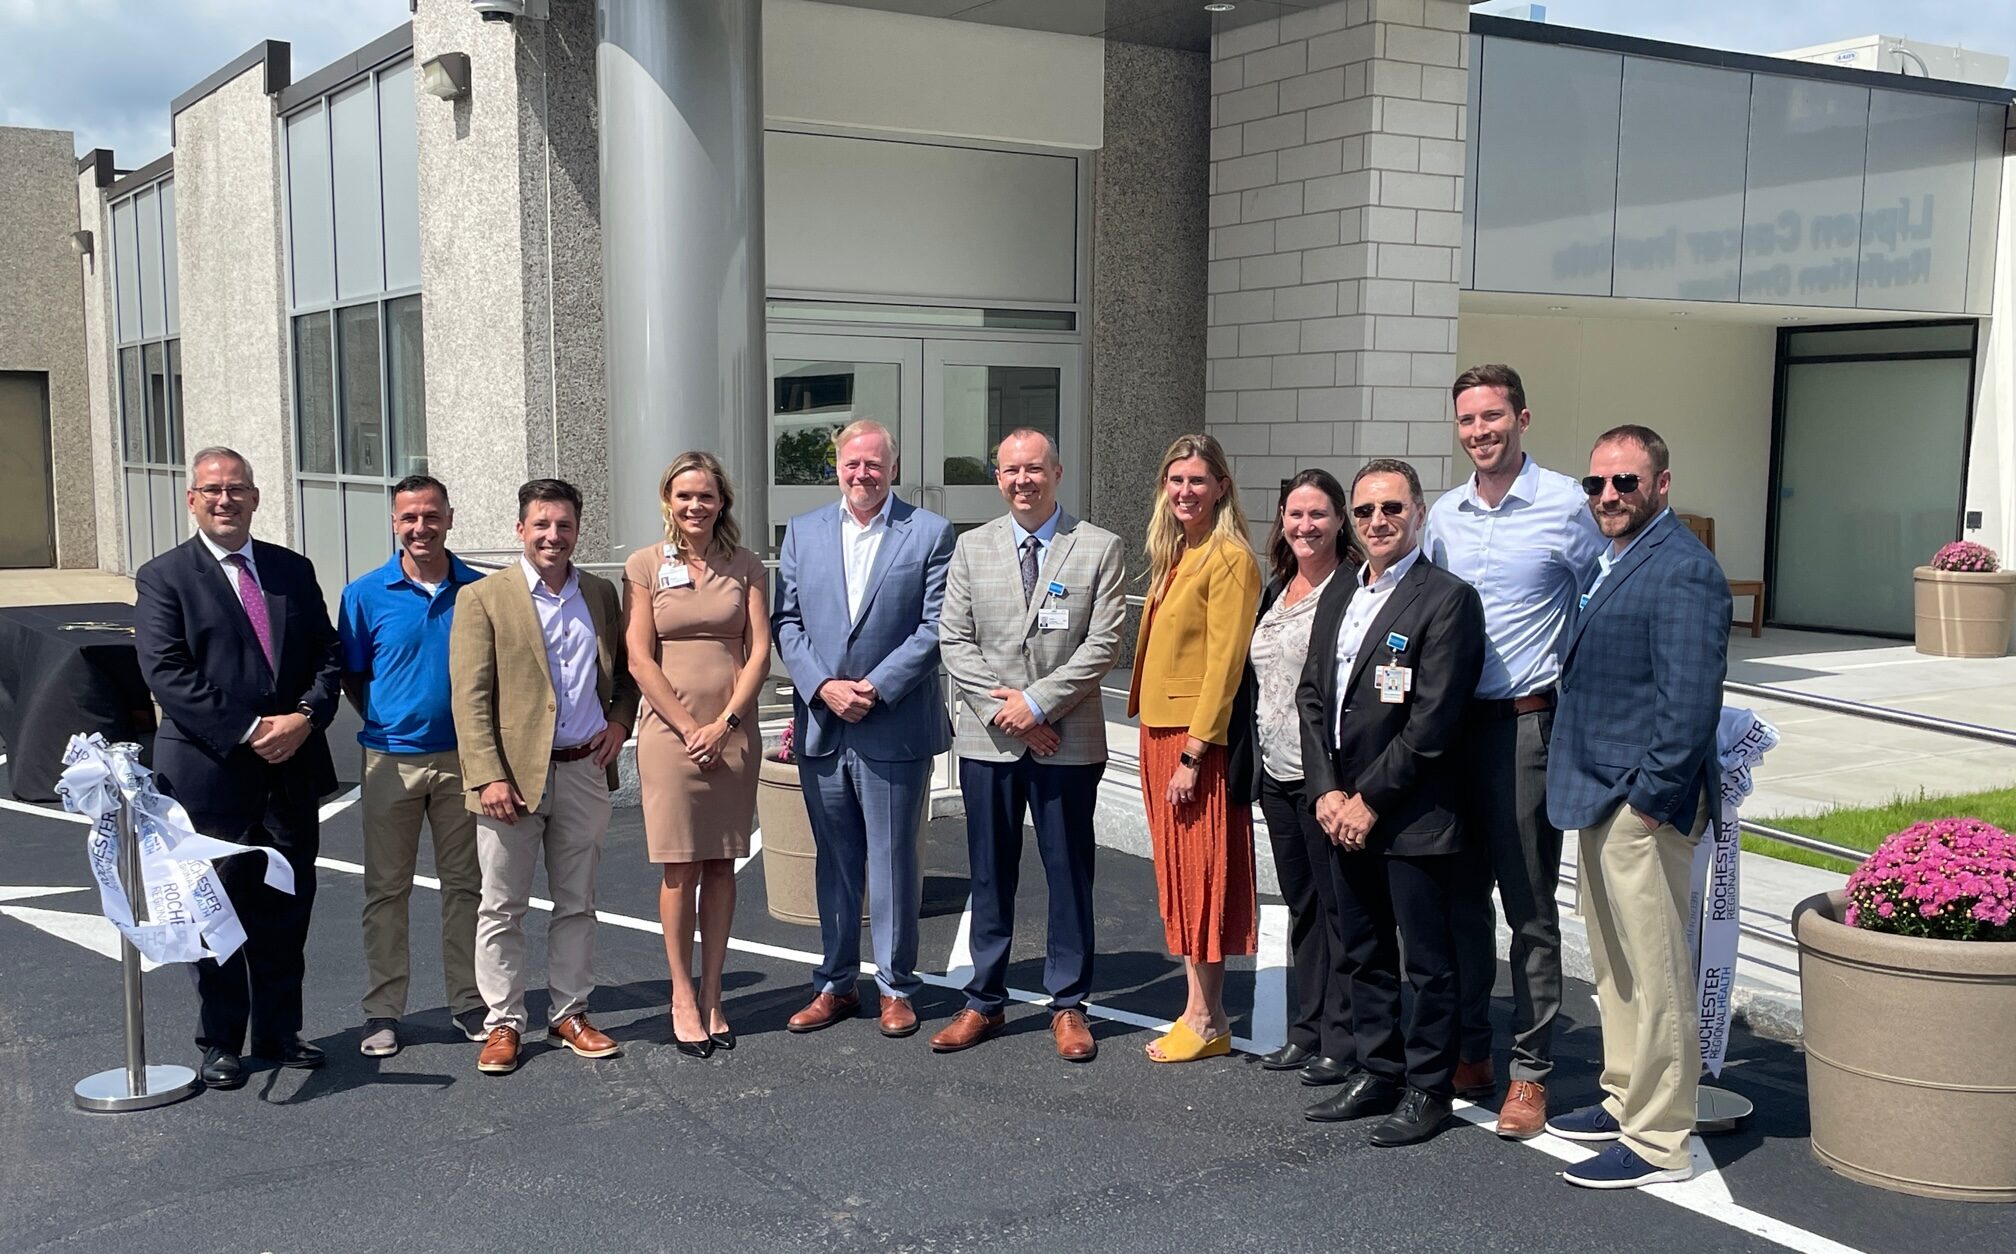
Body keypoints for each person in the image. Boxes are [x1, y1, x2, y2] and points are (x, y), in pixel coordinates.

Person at [1423, 364, 1605, 1137]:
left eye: (1492, 417)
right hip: (1449, 733)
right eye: (1467, 420)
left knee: (1528, 909)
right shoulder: (1444, 514)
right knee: (1458, 903)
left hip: (1528, 728)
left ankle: (1531, 1071)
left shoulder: (1569, 504)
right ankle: (1471, 1049)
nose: (1480, 432)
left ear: (1522, 419)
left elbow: (1604, 600)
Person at [1545, 425, 1729, 1189]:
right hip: (1600, 795)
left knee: (1654, 975)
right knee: (1616, 967)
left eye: (1626, 482)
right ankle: (1627, 1097)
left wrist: (1649, 804)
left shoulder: (1683, 569)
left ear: (1662, 484)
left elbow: (1689, 705)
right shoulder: (1613, 559)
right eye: (1596, 485)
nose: (1608, 496)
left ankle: (1658, 1142)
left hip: (1639, 806)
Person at [134, 446, 343, 1090]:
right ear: (193, 501)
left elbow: (328, 655)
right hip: (209, 776)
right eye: (213, 490)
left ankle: (279, 1033)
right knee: (215, 911)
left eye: (238, 489)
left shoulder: (291, 569)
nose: (226, 500)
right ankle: (221, 1041)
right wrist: (253, 731)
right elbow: (167, 672)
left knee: (287, 907)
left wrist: (305, 716)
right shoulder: (163, 576)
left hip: (291, 772)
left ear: (255, 497)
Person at [1296, 458, 1485, 1146]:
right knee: (1363, 947)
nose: (1379, 522)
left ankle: (1429, 1088)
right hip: (1341, 806)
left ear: (1418, 514)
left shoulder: (1446, 599)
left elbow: (1434, 720)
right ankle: (1377, 1068)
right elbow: (1313, 695)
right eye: (1368, 510)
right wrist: (1326, 790)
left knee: (1428, 962)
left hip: (1411, 813)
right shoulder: (1343, 588)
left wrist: (1368, 798)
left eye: (1393, 509)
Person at [932, 428, 1125, 1062]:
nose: (1023, 480)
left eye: (1034, 469)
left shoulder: (1098, 547)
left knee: (1069, 873)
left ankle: (1068, 1005)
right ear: (998, 477)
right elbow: (954, 641)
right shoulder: (971, 548)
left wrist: (1037, 704)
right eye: (1012, 470)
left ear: (1057, 473)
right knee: (990, 875)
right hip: (990, 742)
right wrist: (1010, 712)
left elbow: (1102, 646)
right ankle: (984, 1001)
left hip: (1067, 742)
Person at [772, 419, 956, 1038]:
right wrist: (822, 687)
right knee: (836, 861)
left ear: (893, 468)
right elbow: (787, 623)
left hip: (894, 724)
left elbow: (935, 628)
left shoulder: (929, 533)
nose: (862, 474)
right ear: (837, 467)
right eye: (852, 464)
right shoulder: (802, 531)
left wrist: (873, 688)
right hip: (824, 724)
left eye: (874, 464)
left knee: (895, 861)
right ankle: (835, 983)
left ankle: (897, 986)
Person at [450, 478, 638, 1076]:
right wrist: (487, 776)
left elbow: (627, 673)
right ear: (520, 529)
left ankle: (569, 1014)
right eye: (541, 525)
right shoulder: (484, 598)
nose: (553, 536)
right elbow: (470, 697)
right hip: (511, 781)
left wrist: (619, 721)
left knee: (577, 903)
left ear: (578, 530)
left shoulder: (602, 595)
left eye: (564, 525)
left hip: (585, 770)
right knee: (501, 906)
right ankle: (503, 1023)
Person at [622, 452, 769, 1059]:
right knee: (679, 866)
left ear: (721, 502)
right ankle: (681, 994)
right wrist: (689, 728)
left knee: (721, 865)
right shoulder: (646, 565)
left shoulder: (747, 565)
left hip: (733, 731)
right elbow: (637, 655)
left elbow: (760, 649)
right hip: (670, 735)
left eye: (705, 496)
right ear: (668, 501)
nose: (695, 506)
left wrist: (726, 722)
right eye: (684, 496)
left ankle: (714, 994)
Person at [338, 473, 488, 1058]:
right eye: (409, 518)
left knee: (467, 889)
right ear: (395, 522)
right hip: (389, 762)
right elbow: (353, 674)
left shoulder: (478, 590)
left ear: (449, 517)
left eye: (431, 516)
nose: (421, 527)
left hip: (464, 760)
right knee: (385, 891)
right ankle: (382, 1011)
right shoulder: (364, 594)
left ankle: (469, 999)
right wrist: (390, 719)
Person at [1126, 433, 1260, 1063]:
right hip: (1161, 733)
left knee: (1202, 877)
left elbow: (1226, 665)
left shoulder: (1228, 557)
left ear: (1221, 487)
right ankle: (1199, 1011)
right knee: (1180, 879)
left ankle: (1207, 1018)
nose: (1185, 491)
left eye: (1198, 481)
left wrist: (1194, 753)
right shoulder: (1180, 552)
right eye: (1176, 480)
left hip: (1191, 741)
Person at [1249, 469, 1360, 1088]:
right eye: (1295, 514)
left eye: (1318, 514)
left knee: (1341, 910)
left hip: (1327, 778)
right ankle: (1306, 1029)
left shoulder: (1349, 590)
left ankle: (1341, 1041)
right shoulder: (1278, 589)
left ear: (1340, 520)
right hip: (1277, 772)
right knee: (1304, 907)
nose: (1305, 526)